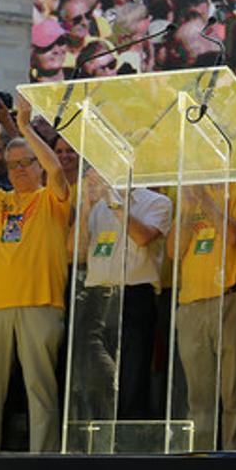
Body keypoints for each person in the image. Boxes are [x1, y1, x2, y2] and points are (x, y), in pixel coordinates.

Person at [0, 97, 72, 453]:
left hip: (39, 302)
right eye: (12, 166)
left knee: (41, 392)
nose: (19, 170)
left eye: (26, 163)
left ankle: (44, 464)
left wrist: (23, 128)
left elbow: (56, 171)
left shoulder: (53, 198)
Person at [166, 181, 236, 450]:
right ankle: (200, 460)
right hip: (192, 304)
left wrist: (206, 202)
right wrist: (187, 209)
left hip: (233, 299)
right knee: (199, 398)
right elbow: (174, 251)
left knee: (235, 394)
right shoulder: (191, 193)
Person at [78, 171, 172, 422]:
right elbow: (74, 253)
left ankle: (129, 446)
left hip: (135, 297)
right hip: (97, 298)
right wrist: (86, 206)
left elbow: (142, 237)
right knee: (96, 380)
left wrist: (112, 200)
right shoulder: (95, 204)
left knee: (132, 378)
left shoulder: (156, 202)